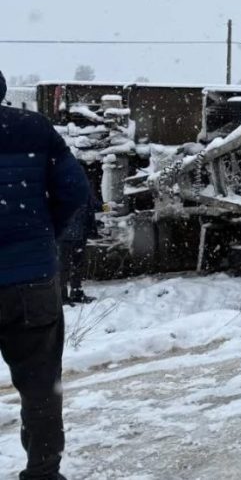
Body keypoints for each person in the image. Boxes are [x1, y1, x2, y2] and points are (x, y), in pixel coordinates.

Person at [0, 70, 90, 480]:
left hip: (30, 269)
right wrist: (42, 235)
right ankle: (43, 472)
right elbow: (75, 190)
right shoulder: (34, 128)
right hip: (32, 282)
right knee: (40, 388)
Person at [58, 191, 100, 305]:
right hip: (65, 234)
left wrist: (105, 206)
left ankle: (76, 293)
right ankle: (61, 296)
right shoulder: (59, 185)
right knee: (63, 266)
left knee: (77, 265)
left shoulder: (81, 185)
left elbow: (92, 203)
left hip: (80, 232)